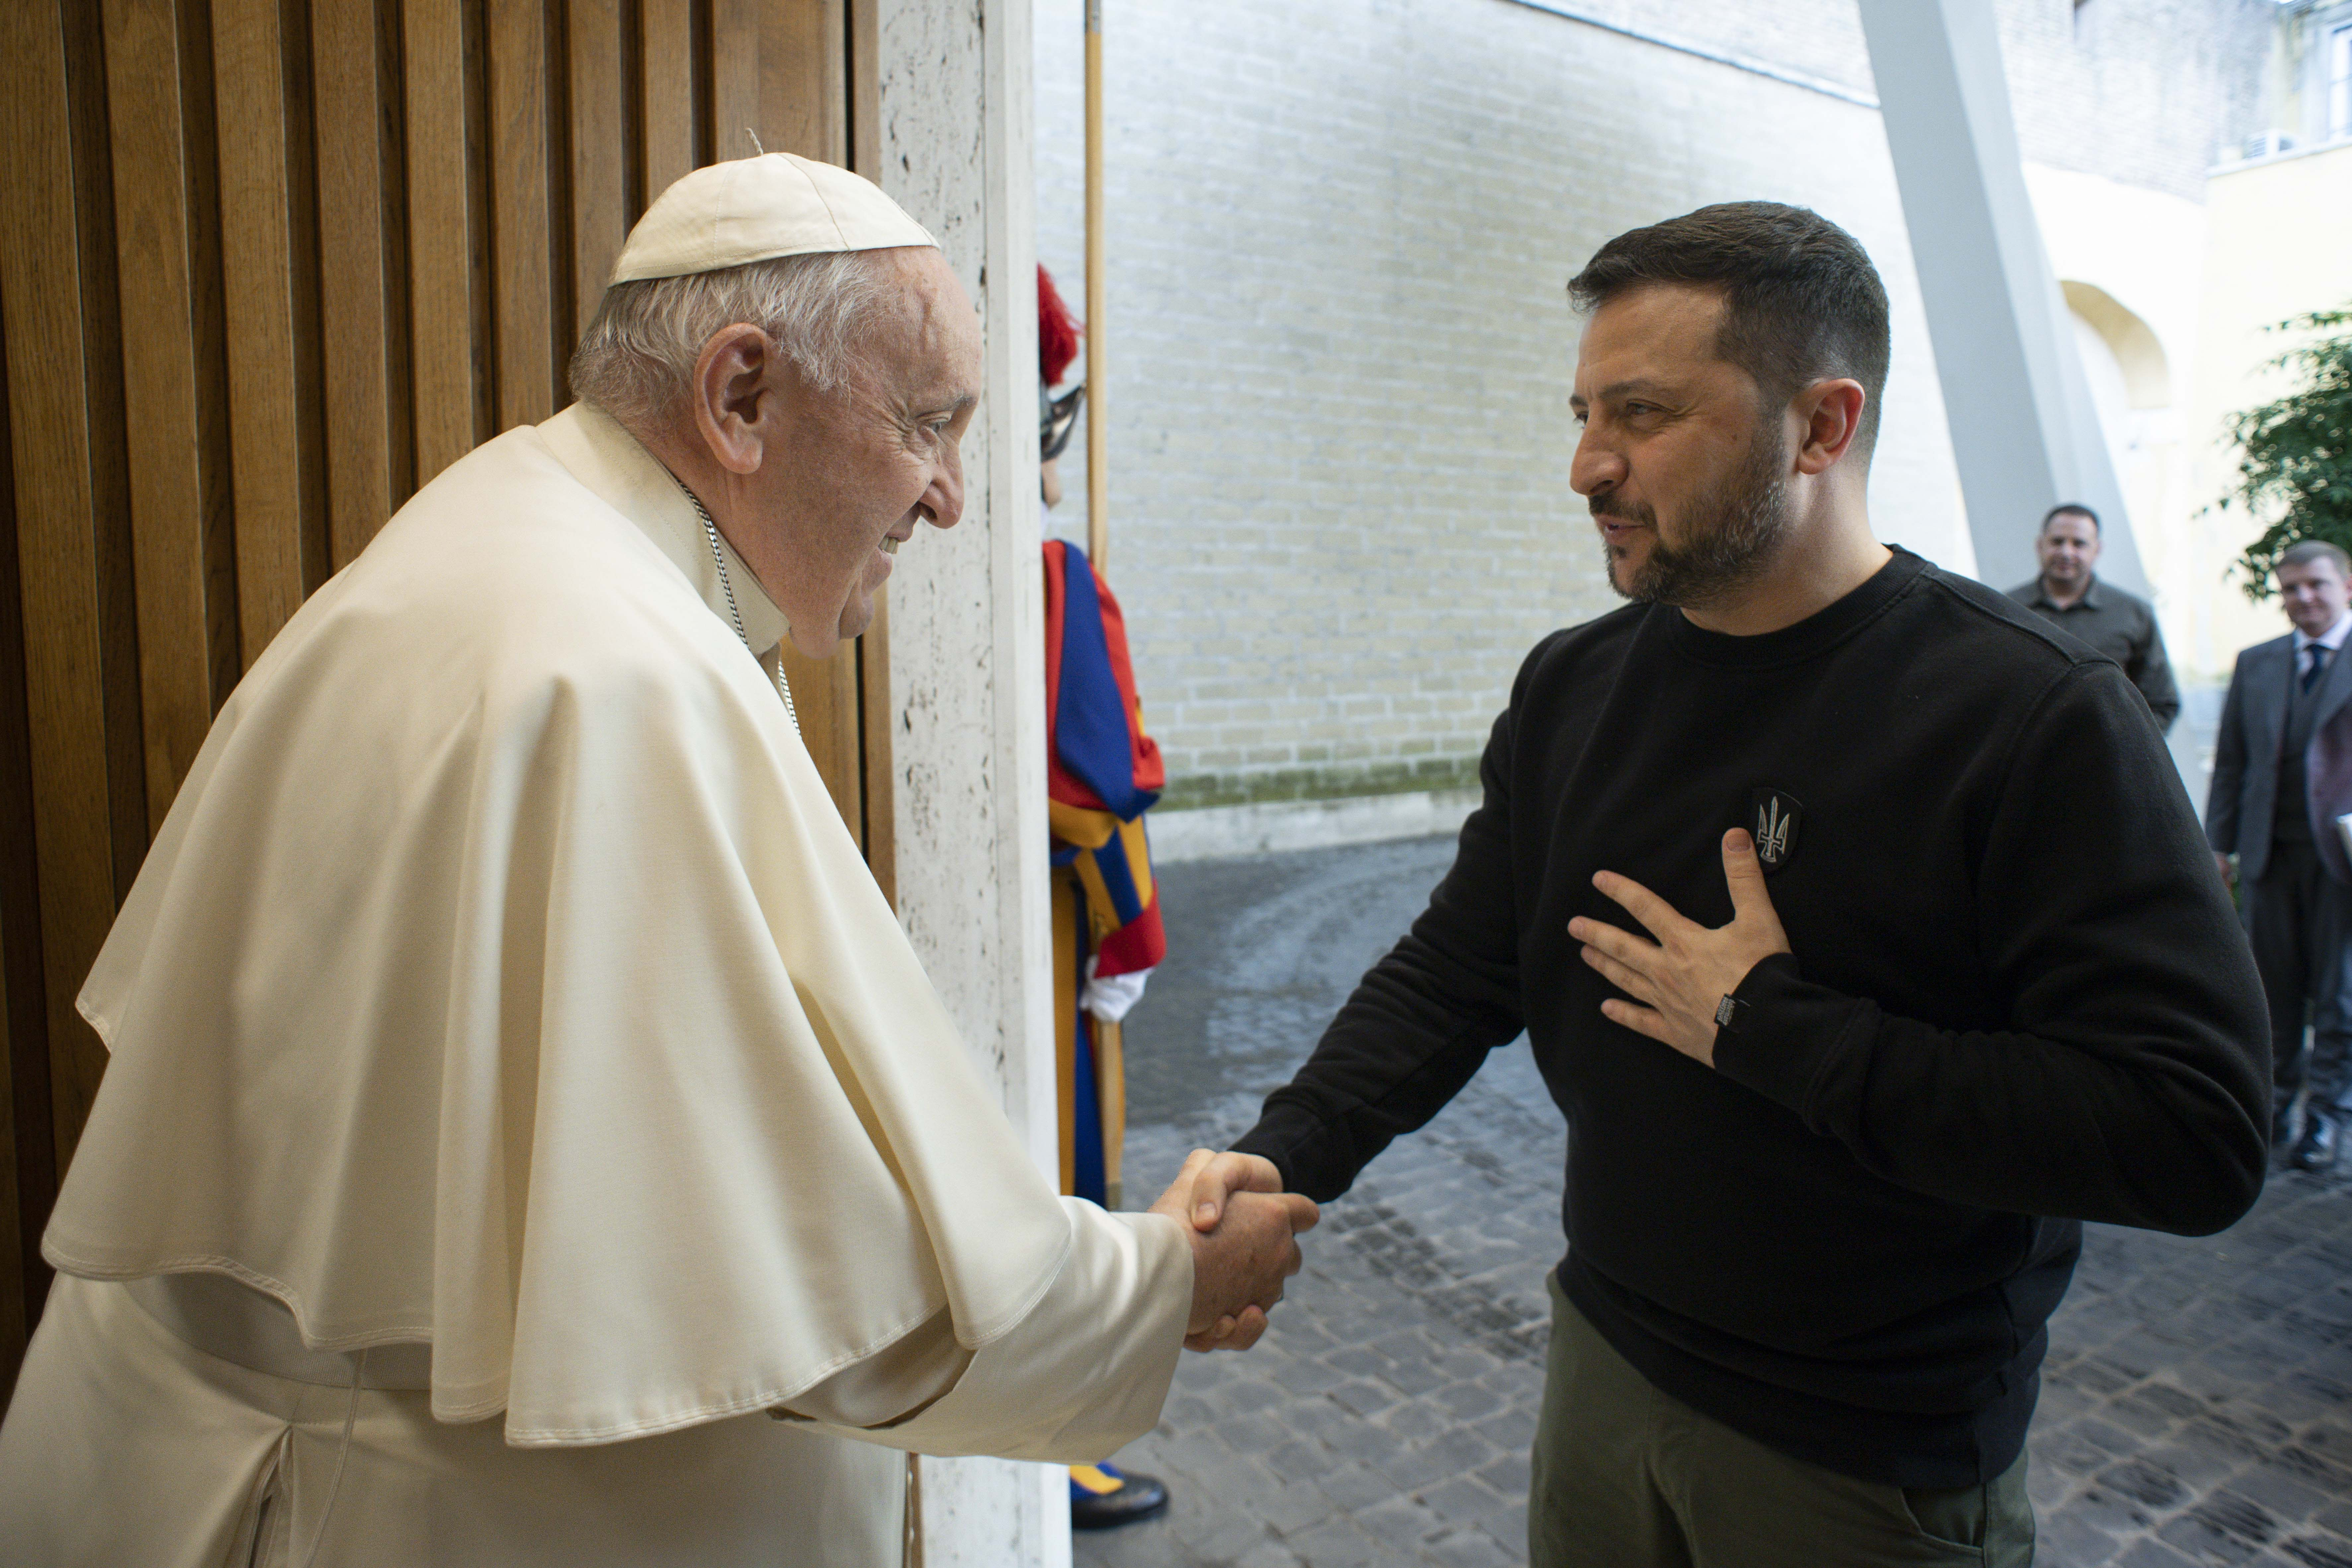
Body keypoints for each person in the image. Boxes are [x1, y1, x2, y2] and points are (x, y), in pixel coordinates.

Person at [0, 154, 1318, 1566]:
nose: (947, 499)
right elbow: (831, 1294)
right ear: (740, 396)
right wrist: (1161, 1279)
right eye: (929, 427)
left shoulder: (515, 522)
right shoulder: (615, 671)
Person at [1186, 202, 2267, 1568]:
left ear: (1818, 426)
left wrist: (1771, 1027)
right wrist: (1281, 1155)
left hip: (1864, 1454)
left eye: (1641, 413)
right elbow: (1459, 965)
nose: (1585, 464)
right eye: (1582, 410)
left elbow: (2195, 1130)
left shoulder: (2032, 717)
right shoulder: (1574, 683)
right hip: (1603, 1363)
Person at [2207, 539, 2352, 1172]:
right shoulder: (2257, 663)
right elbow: (2233, 762)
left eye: (2316, 585)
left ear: (2346, 586)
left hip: (2342, 860)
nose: (2303, 598)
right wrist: (2218, 843)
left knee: (2340, 994)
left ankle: (2326, 1118)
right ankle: (2269, 1107)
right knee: (2270, 992)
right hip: (2269, 853)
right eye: (2290, 588)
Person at [2006, 503, 2179, 731]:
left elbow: (2161, 703)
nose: (2067, 552)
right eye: (2057, 542)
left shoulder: (2133, 614)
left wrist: (2123, 749)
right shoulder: (2006, 609)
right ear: (2040, 545)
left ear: (2097, 550)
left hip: (2104, 761)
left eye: (2079, 543)